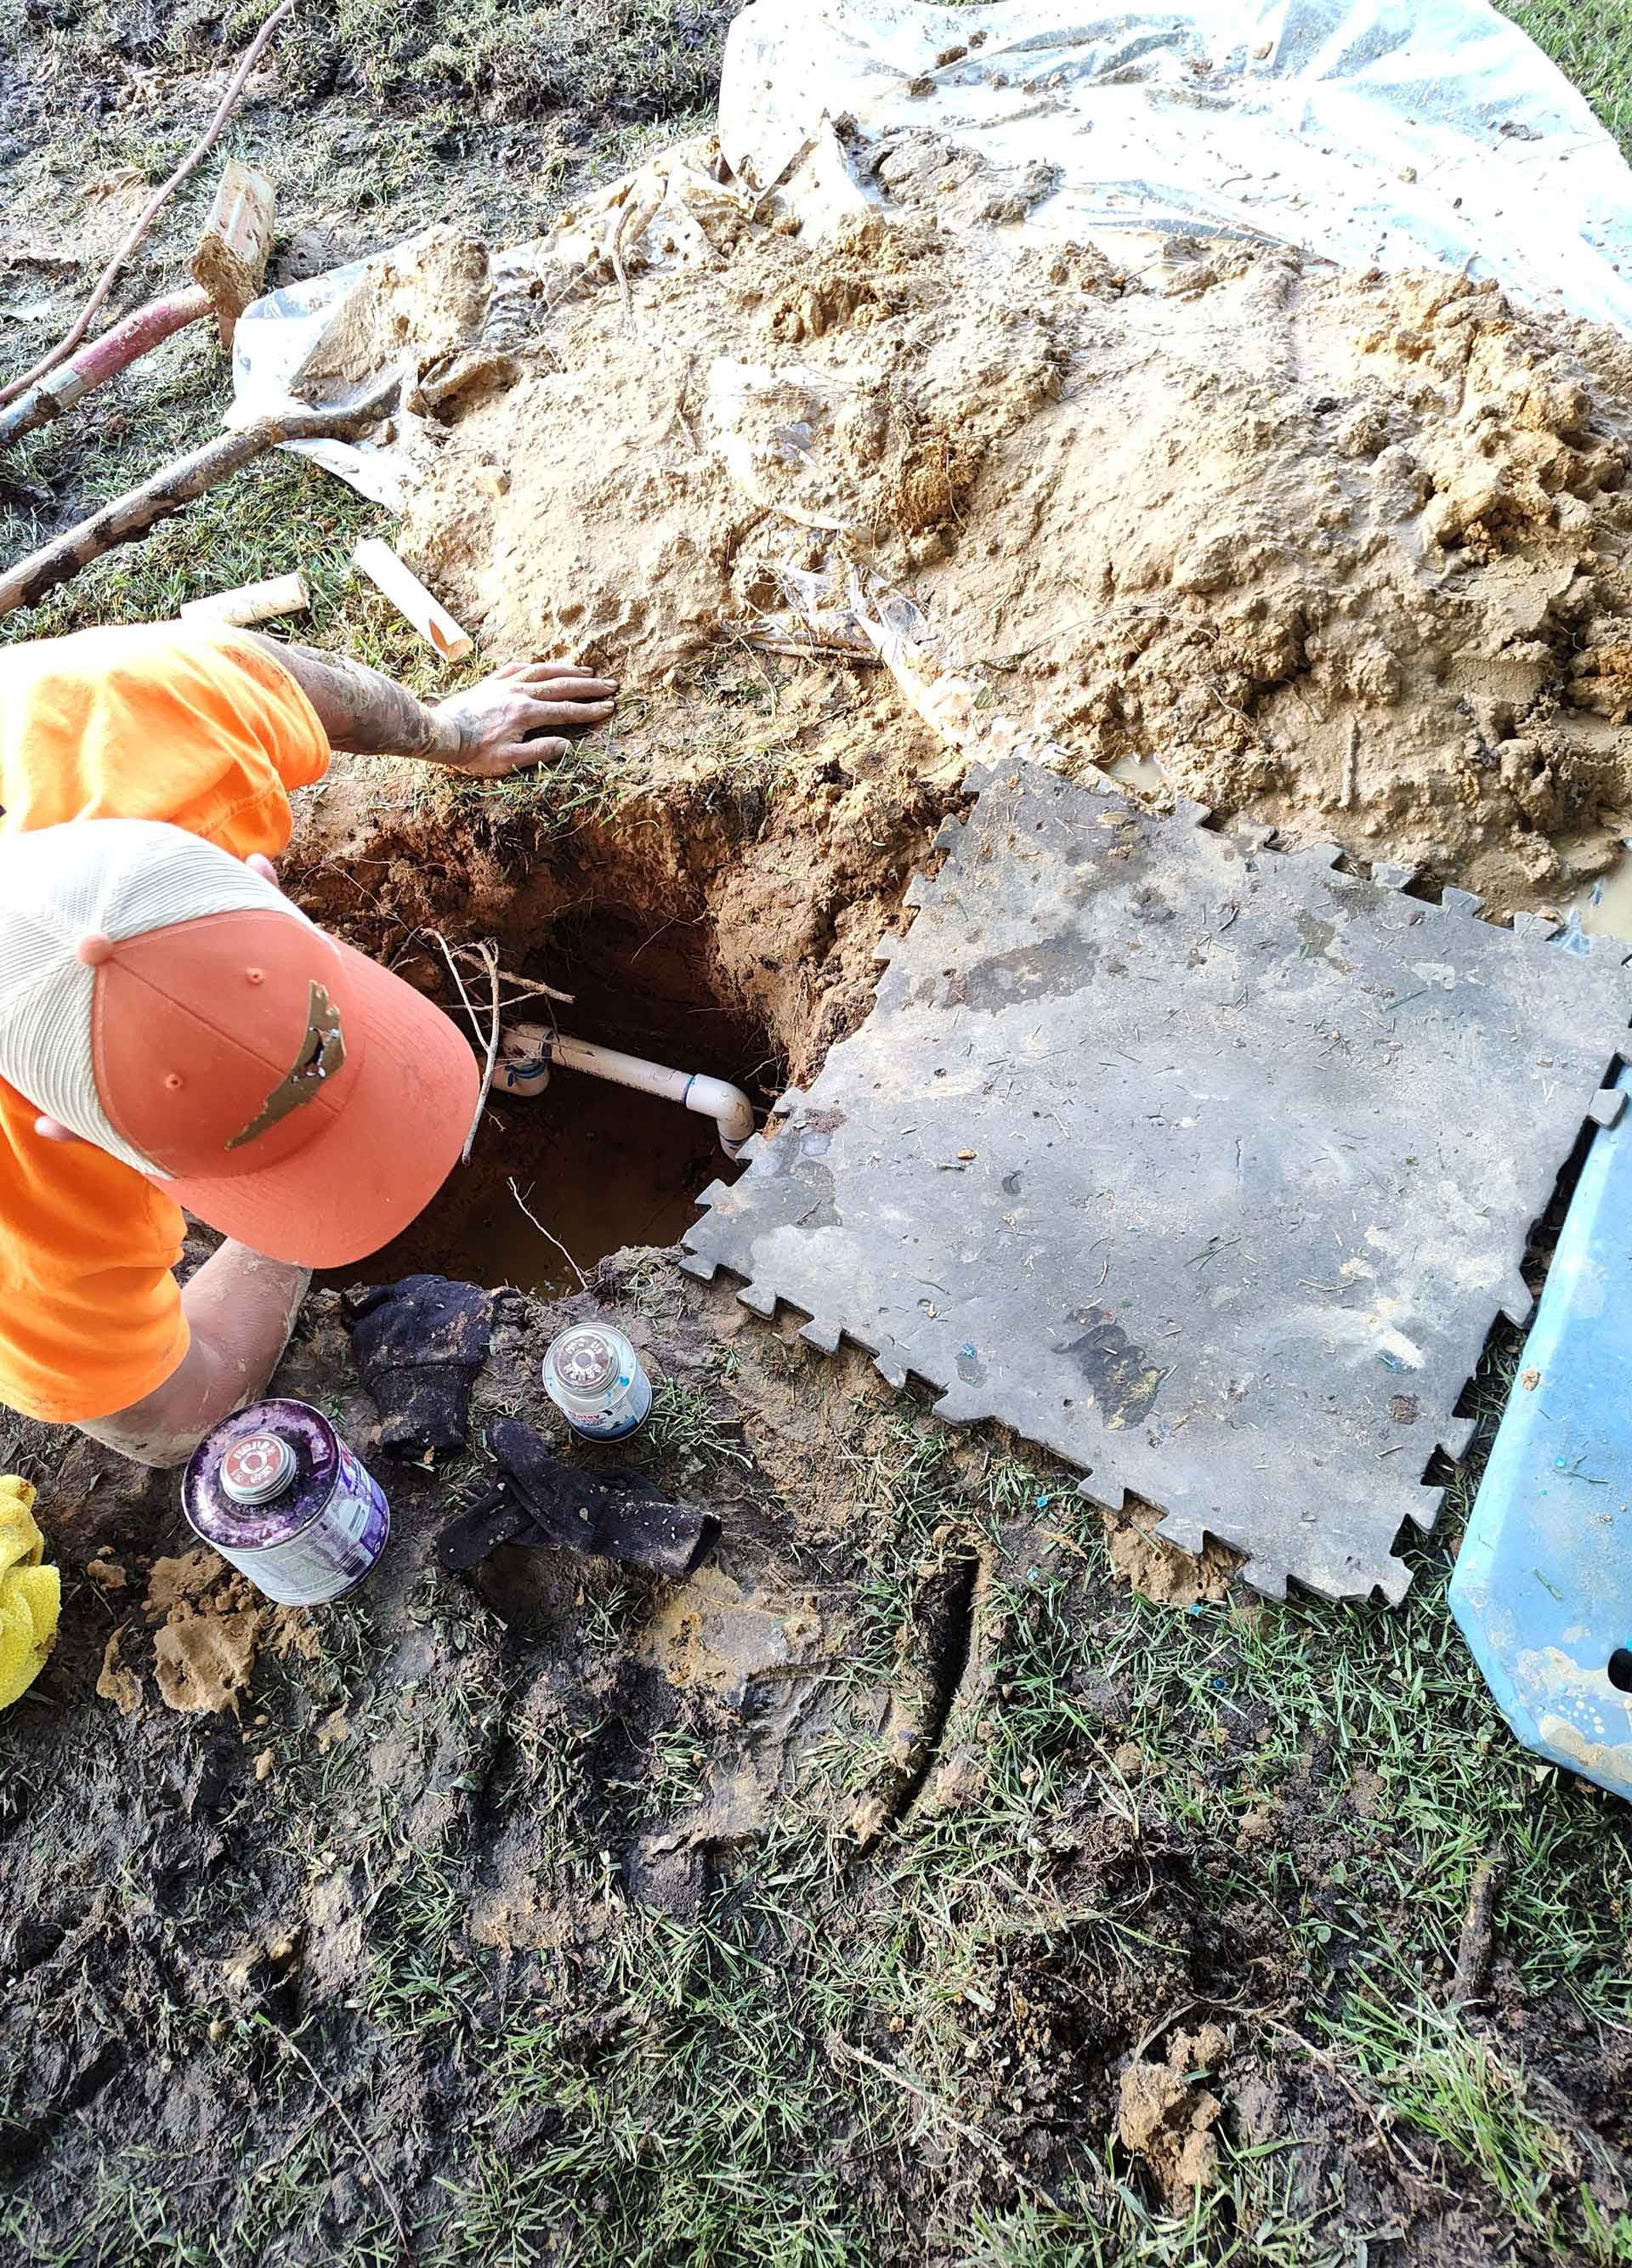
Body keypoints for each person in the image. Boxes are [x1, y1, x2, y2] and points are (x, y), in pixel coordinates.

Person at [0, 619, 616, 1467]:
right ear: (66, 1131)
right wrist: (288, 1226)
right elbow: (167, 1413)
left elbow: (279, 676)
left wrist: (453, 731)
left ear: (256, 878)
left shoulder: (118, 707)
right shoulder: (23, 1214)